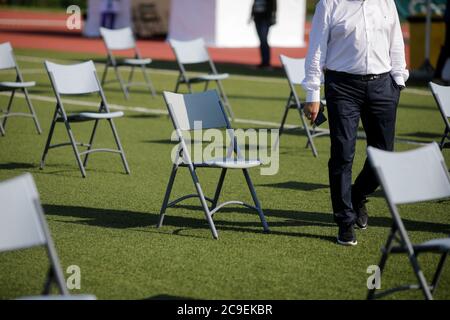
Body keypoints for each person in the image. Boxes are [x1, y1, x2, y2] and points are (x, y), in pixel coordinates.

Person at [302, 0, 409, 246]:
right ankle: (345, 221)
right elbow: (316, 49)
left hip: (383, 86)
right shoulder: (329, 4)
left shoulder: (386, 3)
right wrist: (312, 94)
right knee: (343, 153)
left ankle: (358, 194)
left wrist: (398, 81)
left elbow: (396, 42)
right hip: (342, 87)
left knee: (384, 156)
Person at [251, 0, 277, 69]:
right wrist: (251, 15)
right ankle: (263, 62)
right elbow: (254, 5)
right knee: (261, 41)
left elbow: (273, 5)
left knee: (264, 40)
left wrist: (273, 17)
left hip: (265, 19)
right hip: (257, 19)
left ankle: (266, 62)